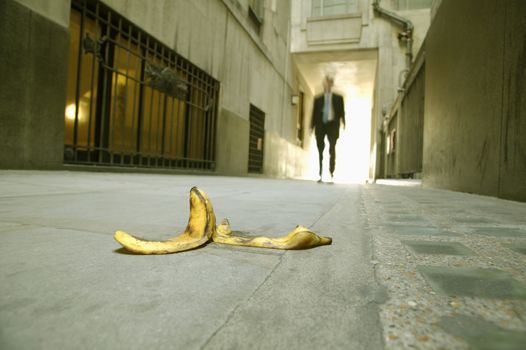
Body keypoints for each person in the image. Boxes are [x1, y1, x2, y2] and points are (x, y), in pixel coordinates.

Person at [311, 75, 346, 183]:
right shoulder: (318, 99)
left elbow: (341, 112)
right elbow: (314, 113)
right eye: (325, 82)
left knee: (332, 148)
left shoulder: (338, 98)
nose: (327, 84)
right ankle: (320, 174)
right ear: (323, 84)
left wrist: (344, 123)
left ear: (331, 84)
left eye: (329, 83)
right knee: (320, 150)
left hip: (332, 125)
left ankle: (331, 173)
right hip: (321, 125)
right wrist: (311, 127)